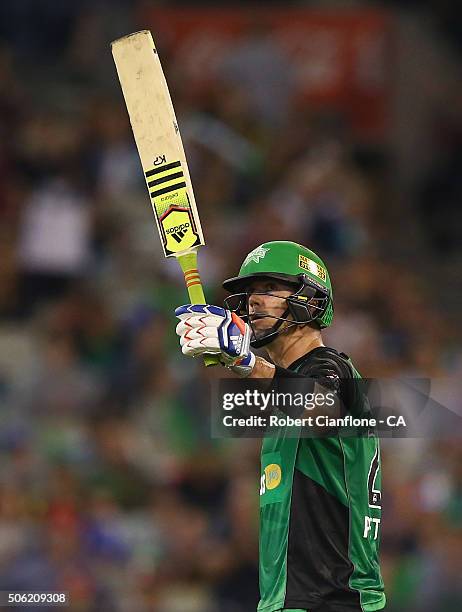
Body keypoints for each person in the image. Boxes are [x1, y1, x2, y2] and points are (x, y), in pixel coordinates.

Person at [175, 241, 386, 612]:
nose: (255, 301)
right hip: (289, 602)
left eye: (270, 289)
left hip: (334, 600)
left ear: (310, 299)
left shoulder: (331, 369)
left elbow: (322, 412)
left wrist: (247, 363)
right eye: (251, 292)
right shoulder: (282, 395)